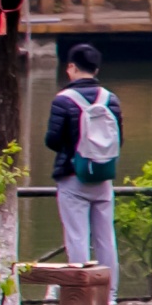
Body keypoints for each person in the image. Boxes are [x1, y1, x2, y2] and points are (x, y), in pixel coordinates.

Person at [45, 43, 125, 286]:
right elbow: (119, 138)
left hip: (73, 176)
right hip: (103, 176)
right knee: (105, 239)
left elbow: (52, 140)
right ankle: (109, 296)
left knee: (77, 237)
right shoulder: (111, 99)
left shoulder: (63, 100)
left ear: (71, 67)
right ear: (96, 68)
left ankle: (82, 292)